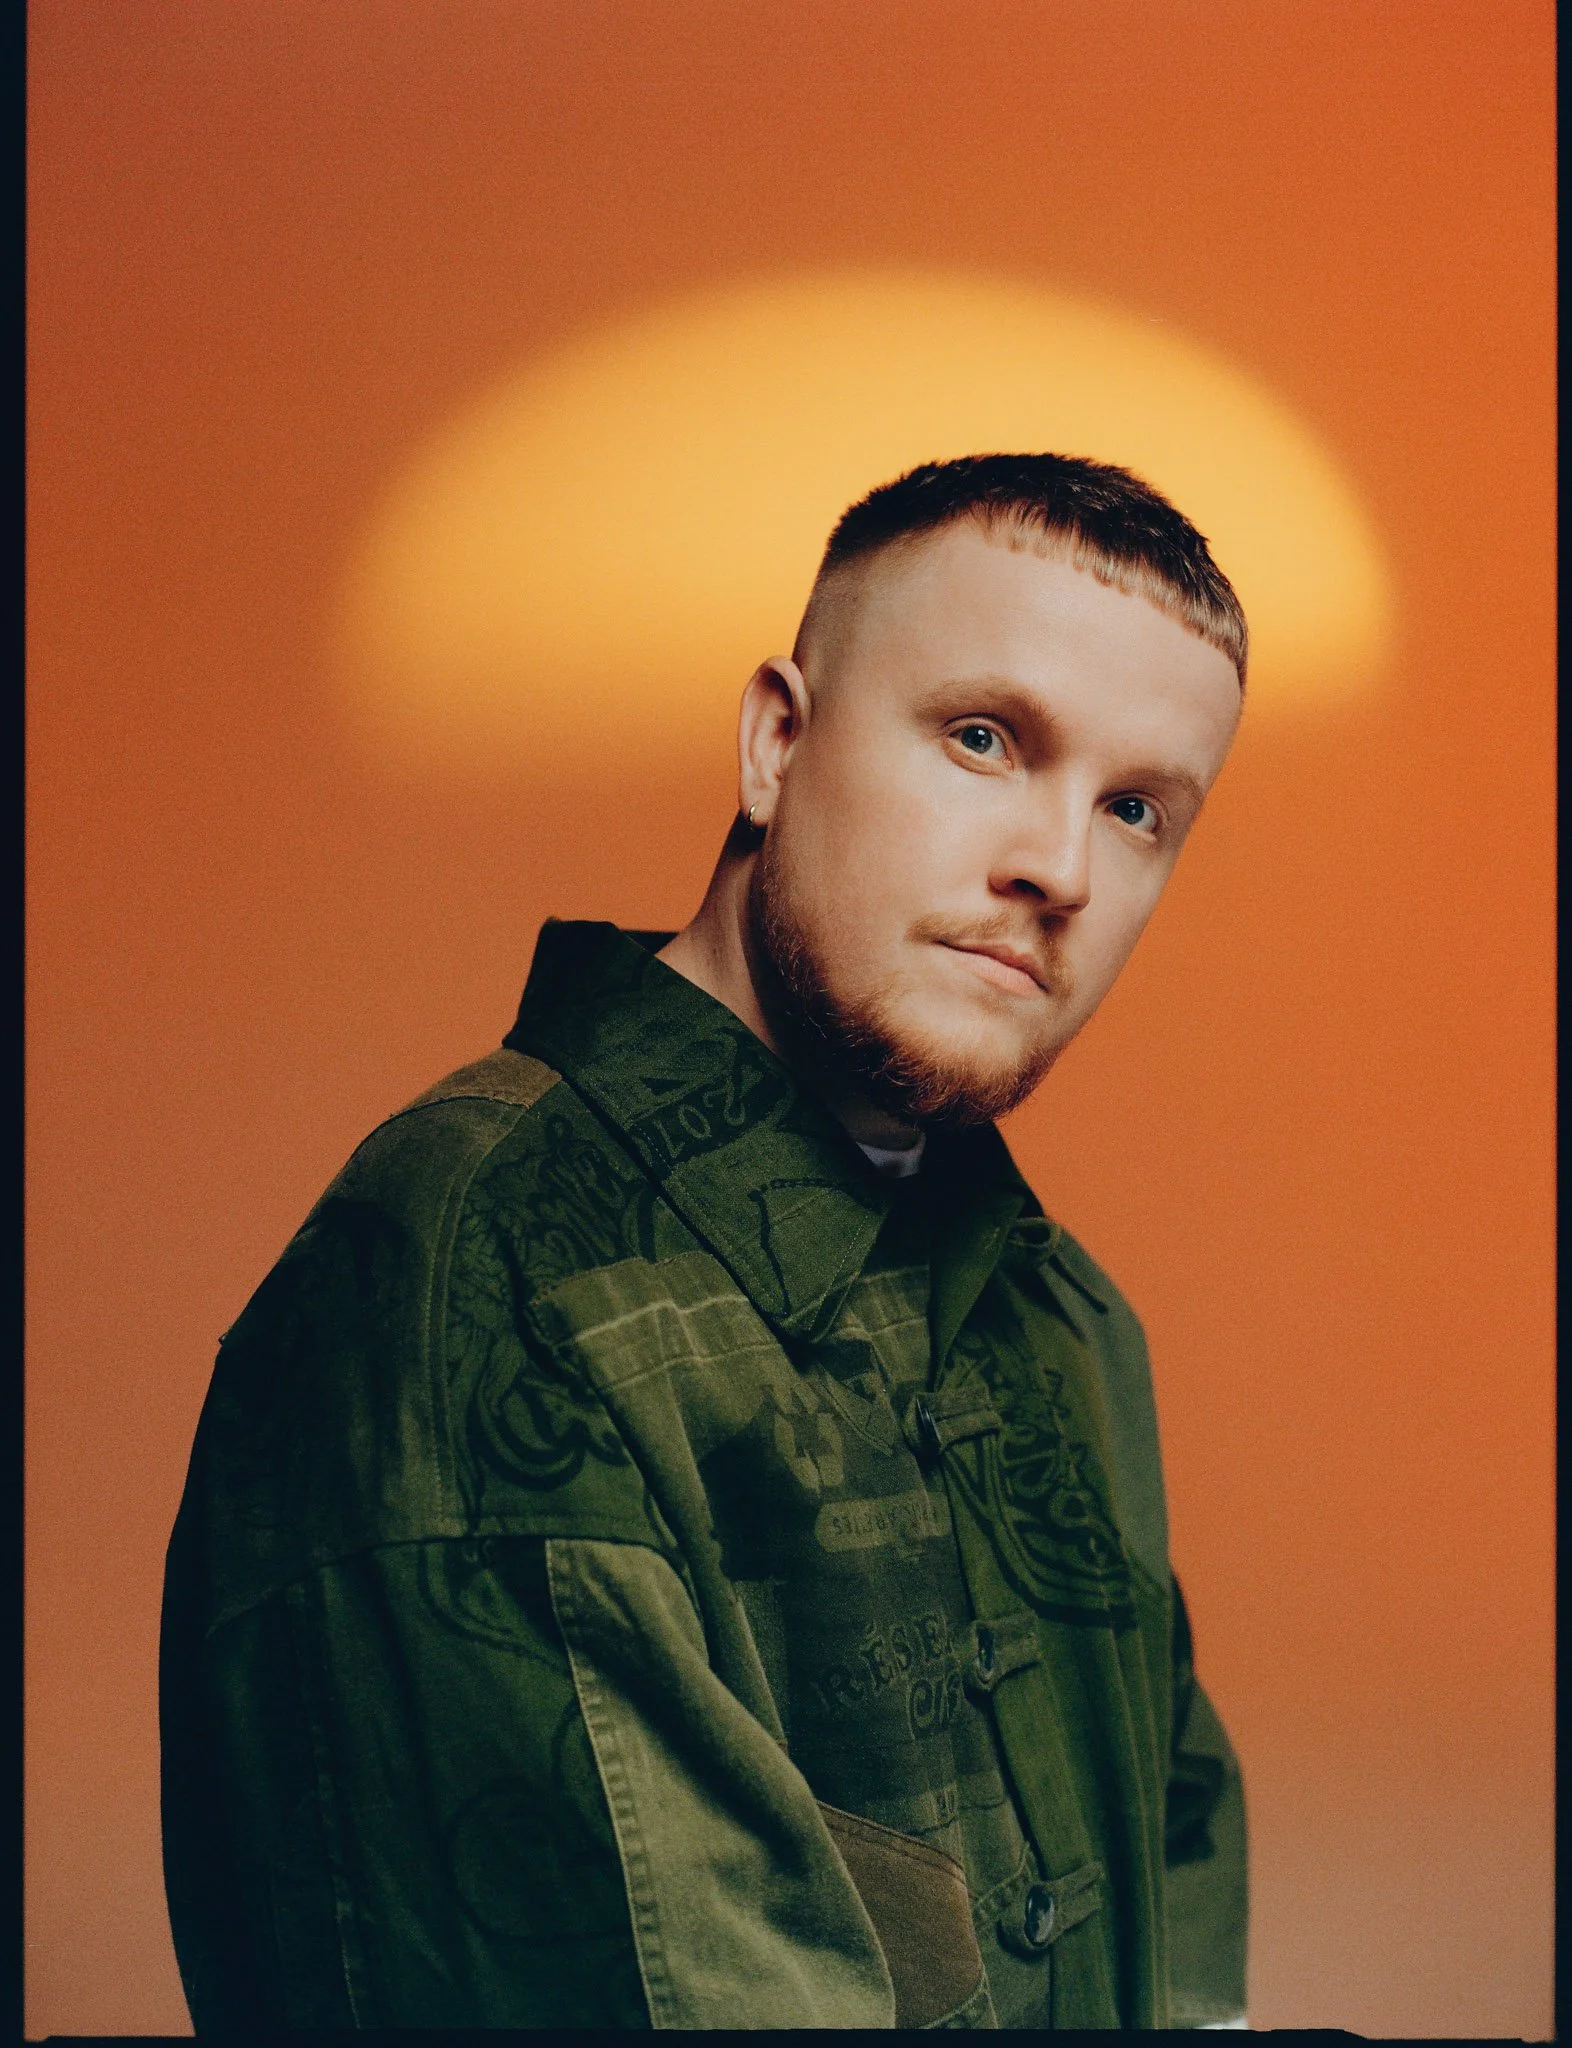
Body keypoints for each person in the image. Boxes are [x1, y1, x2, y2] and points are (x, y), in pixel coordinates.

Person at [161, 453, 1250, 2030]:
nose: (1060, 870)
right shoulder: (465, 1279)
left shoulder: (1064, 1314)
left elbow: (1183, 1917)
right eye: (983, 738)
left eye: (1137, 809)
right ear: (775, 743)